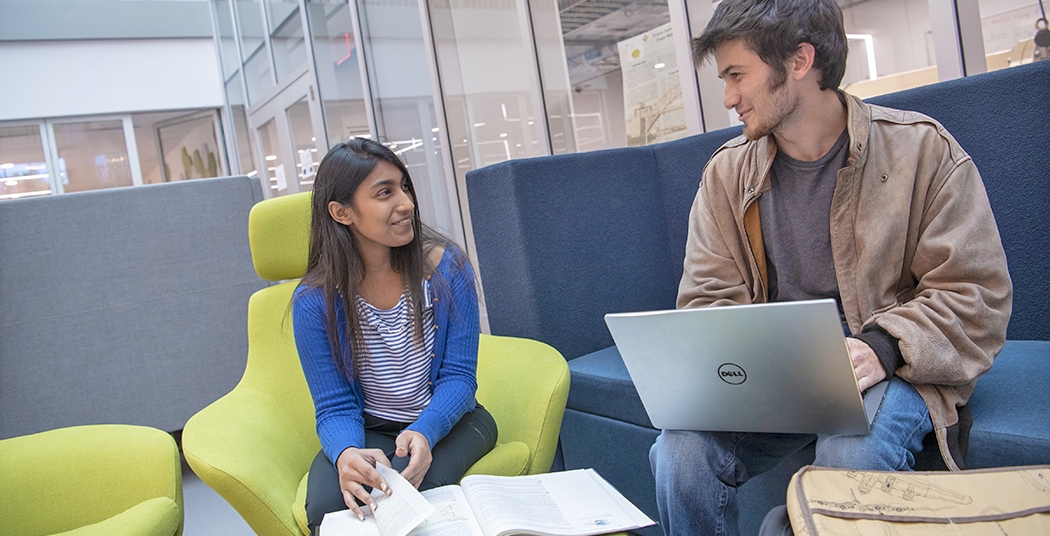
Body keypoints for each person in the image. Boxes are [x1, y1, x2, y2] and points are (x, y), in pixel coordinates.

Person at [648, 0, 1013, 534]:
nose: (728, 99)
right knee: (678, 453)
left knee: (851, 461)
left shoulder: (922, 151)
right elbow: (706, 300)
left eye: (736, 76)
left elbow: (975, 293)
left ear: (799, 60)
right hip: (774, 378)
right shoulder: (726, 176)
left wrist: (881, 346)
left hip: (890, 370)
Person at [292, 138, 497, 533]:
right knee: (326, 507)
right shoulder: (314, 301)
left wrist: (425, 429)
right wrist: (347, 453)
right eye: (385, 193)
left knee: (409, 497)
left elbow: (459, 377)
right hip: (372, 427)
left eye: (404, 188)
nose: (406, 203)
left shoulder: (446, 268)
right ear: (341, 212)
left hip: (452, 421)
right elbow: (334, 406)